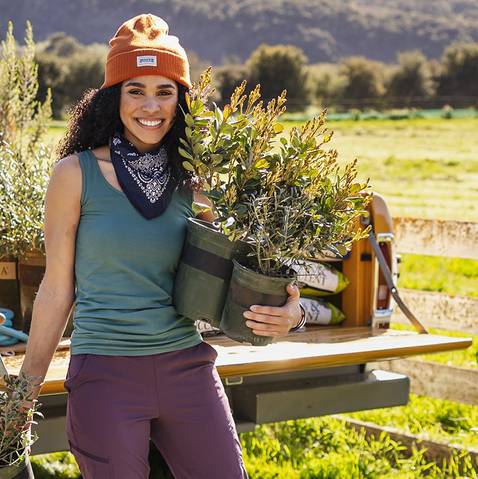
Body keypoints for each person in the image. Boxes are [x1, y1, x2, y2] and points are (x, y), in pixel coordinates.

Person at [19, 13, 304, 478]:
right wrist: (24, 392)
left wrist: (292, 314)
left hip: (186, 368)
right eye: (136, 90)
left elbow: (250, 273)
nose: (150, 106)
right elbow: (56, 289)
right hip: (105, 374)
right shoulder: (75, 175)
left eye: (164, 91)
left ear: (182, 101)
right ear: (113, 98)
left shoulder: (199, 184)